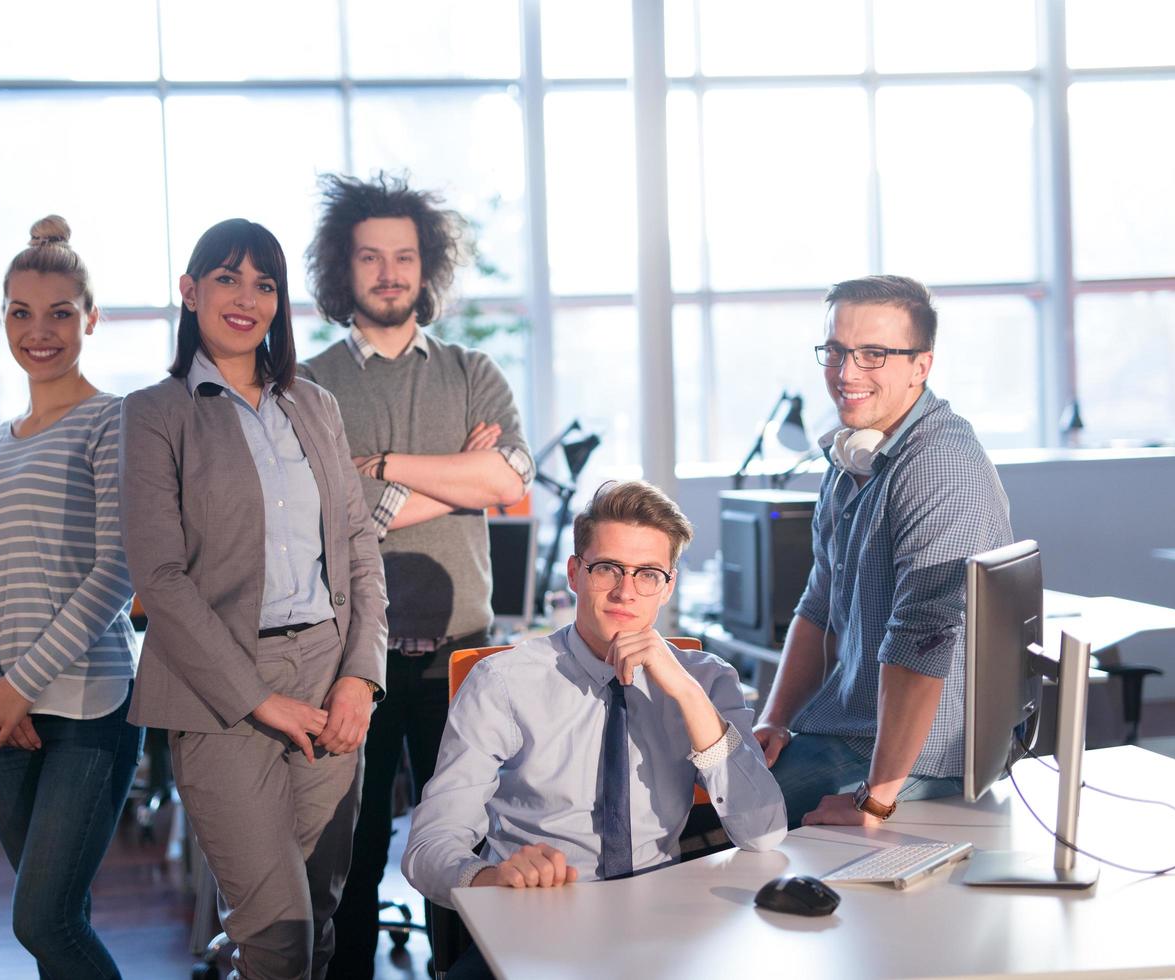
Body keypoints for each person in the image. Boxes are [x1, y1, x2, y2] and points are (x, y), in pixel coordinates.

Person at [119, 217, 387, 980]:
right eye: (228, 278)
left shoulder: (316, 406)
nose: (247, 298)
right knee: (277, 932)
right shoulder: (153, 414)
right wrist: (260, 701)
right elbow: (160, 581)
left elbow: (360, 548)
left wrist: (360, 678)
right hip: (221, 690)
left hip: (330, 675)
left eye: (264, 283)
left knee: (319, 913)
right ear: (190, 290)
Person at [403, 480, 785, 978]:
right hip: (540, 922)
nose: (626, 591)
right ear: (574, 575)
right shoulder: (503, 681)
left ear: (668, 586)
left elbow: (764, 832)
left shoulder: (709, 680)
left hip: (663, 919)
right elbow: (428, 845)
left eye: (648, 574)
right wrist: (491, 877)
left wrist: (687, 694)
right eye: (607, 568)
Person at [299, 172, 533, 979]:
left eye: (404, 256)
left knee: (461, 850)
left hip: (463, 655)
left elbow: (510, 481)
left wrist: (386, 471)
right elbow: (324, 520)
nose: (390, 272)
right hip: (345, 662)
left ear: (427, 266)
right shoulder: (309, 385)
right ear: (343, 268)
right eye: (371, 257)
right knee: (350, 860)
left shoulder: (472, 369)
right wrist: (455, 478)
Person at [0, 215, 144, 978]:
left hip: (88, 710)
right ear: (3, 319)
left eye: (61, 312)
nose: (41, 331)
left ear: (90, 318)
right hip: (3, 716)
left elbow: (117, 570)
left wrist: (20, 687)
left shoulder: (113, 420)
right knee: (57, 917)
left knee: (42, 918)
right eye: (21, 313)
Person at [752, 274, 1013, 829]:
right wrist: (775, 718)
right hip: (850, 728)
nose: (847, 374)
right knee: (714, 780)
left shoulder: (940, 468)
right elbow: (819, 603)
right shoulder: (852, 457)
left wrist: (875, 799)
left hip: (919, 756)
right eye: (837, 351)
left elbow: (923, 638)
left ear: (921, 365)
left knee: (727, 811)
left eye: (873, 355)